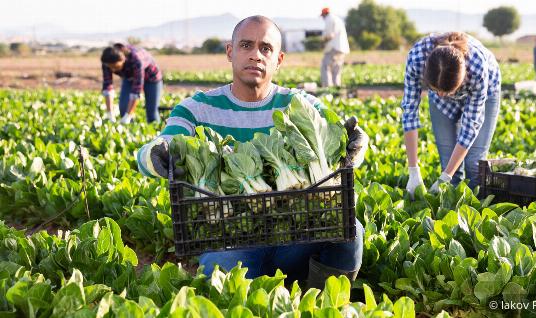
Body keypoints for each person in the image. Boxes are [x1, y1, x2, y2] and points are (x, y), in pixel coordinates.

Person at [135, 16, 368, 288]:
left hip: (298, 234)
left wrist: (357, 144)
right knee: (222, 271)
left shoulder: (301, 104)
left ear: (279, 59)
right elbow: (156, 148)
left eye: (265, 48)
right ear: (230, 52)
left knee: (351, 230)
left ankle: (320, 298)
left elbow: (346, 137)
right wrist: (155, 153)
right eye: (246, 45)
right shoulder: (196, 109)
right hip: (228, 239)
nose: (256, 55)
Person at [402, 32, 501, 195]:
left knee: (474, 164)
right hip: (442, 95)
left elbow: (470, 127)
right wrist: (413, 170)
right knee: (448, 162)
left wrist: (444, 177)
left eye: (445, 91)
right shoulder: (416, 59)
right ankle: (450, 210)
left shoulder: (477, 68)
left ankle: (476, 208)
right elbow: (409, 113)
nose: (441, 95)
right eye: (435, 90)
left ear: (462, 79)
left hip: (487, 91)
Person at [100, 43, 163, 124]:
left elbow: (136, 91)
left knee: (152, 113)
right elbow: (107, 86)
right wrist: (110, 113)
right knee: (123, 108)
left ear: (123, 59)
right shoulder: (107, 62)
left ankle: (158, 134)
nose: (113, 70)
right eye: (110, 67)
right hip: (129, 77)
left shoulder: (136, 60)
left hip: (151, 78)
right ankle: (130, 131)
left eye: (116, 67)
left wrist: (128, 116)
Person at [320, 7, 350, 87]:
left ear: (324, 14)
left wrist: (322, 41)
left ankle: (327, 88)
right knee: (336, 69)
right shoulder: (338, 19)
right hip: (342, 48)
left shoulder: (329, 19)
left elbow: (330, 35)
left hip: (333, 47)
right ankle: (337, 88)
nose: (322, 18)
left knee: (325, 66)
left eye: (322, 16)